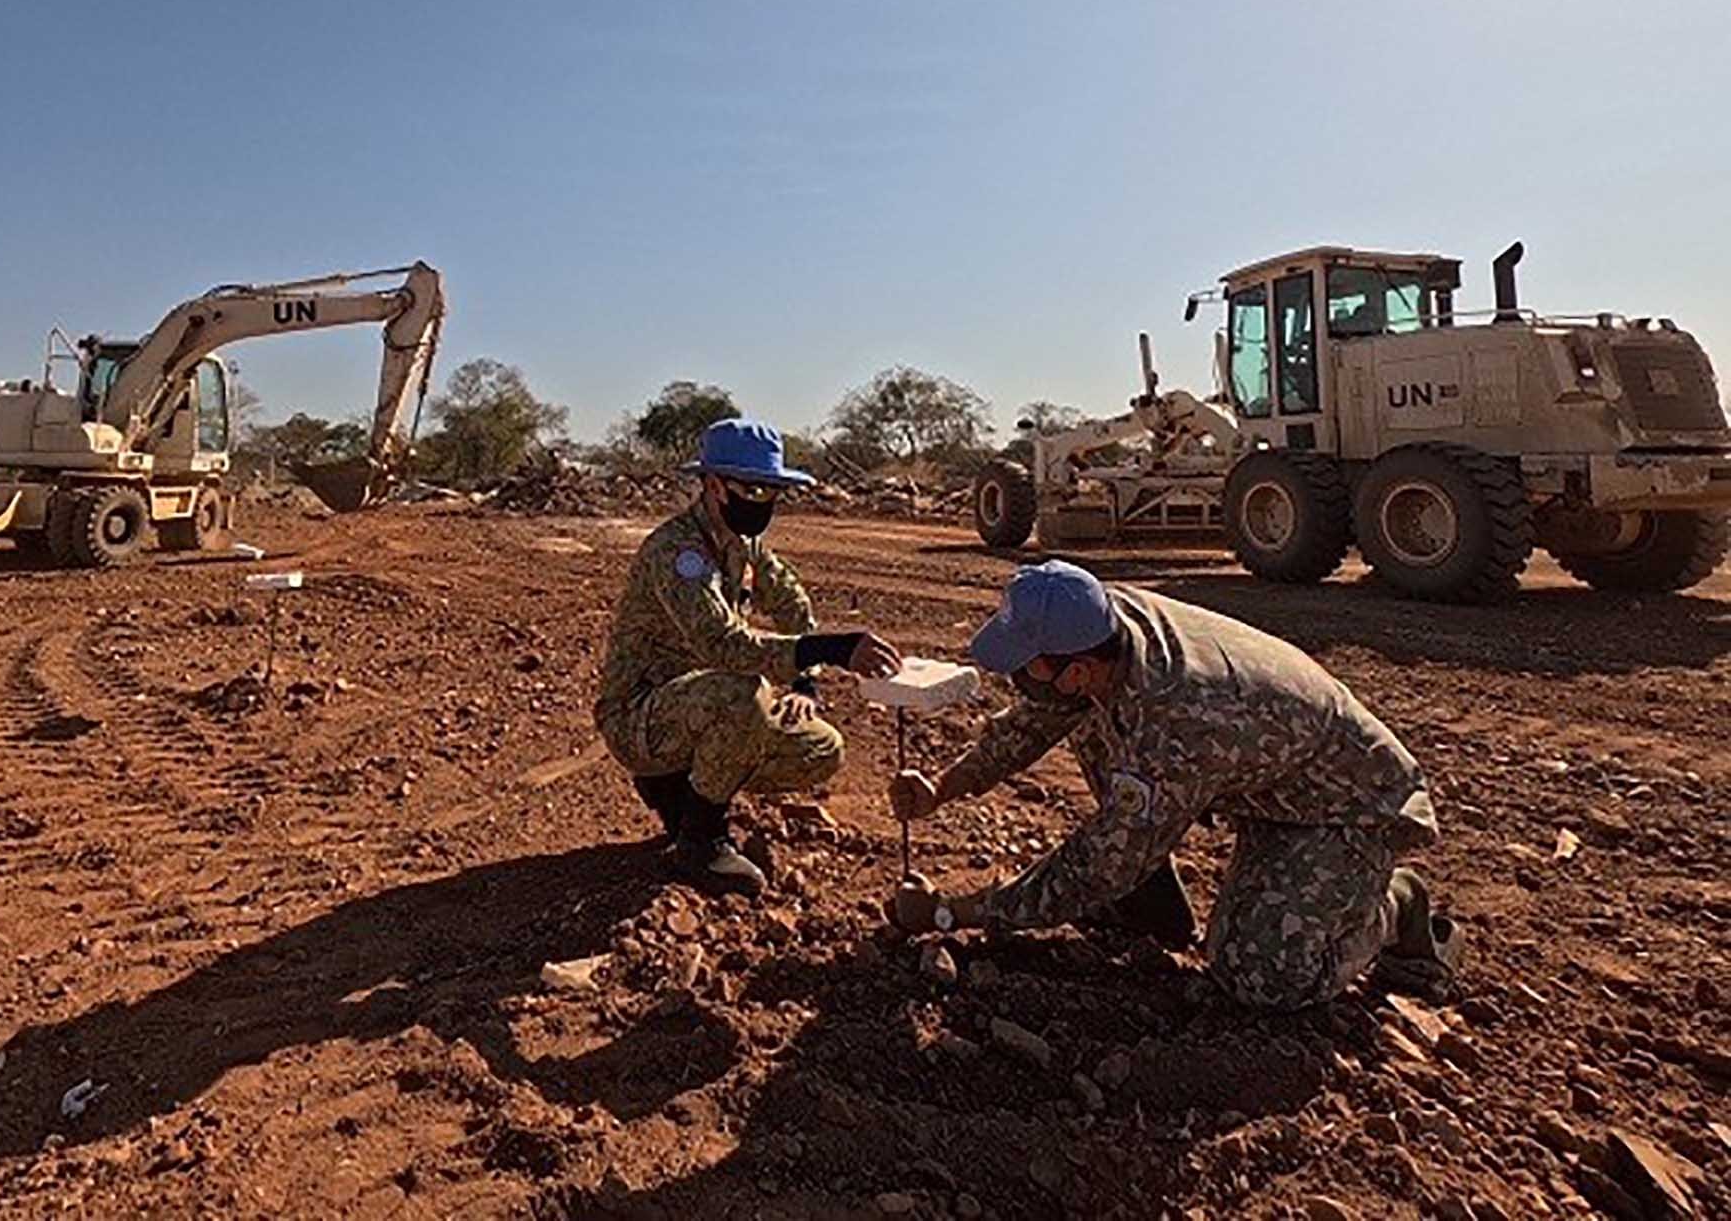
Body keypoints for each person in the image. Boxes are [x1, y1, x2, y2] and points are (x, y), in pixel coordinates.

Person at [888, 560, 1461, 1008]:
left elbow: (1095, 866)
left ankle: (1394, 904)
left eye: (1024, 667)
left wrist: (950, 914)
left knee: (1261, 976)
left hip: (1343, 804)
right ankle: (1150, 905)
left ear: (1077, 666)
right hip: (1262, 774)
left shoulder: (1178, 721)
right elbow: (1035, 719)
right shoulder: (1100, 626)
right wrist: (944, 786)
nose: (1014, 679)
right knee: (1086, 720)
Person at [595, 418, 901, 896]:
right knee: (744, 692)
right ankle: (699, 841)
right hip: (641, 715)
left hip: (700, 704)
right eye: (753, 490)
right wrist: (836, 649)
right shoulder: (677, 552)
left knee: (819, 748)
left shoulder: (746, 545)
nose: (763, 503)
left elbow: (793, 604)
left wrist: (805, 683)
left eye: (772, 492)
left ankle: (679, 792)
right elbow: (724, 644)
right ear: (714, 486)